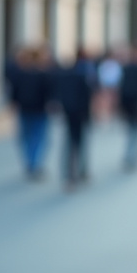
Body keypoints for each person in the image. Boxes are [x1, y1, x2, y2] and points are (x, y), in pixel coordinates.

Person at [52, 49, 95, 191]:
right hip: (80, 115)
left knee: (70, 145)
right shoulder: (83, 76)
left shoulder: (62, 76)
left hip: (70, 114)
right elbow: (88, 97)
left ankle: (70, 175)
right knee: (79, 144)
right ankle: (80, 172)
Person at [8, 45, 53, 180]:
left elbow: (14, 92)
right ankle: (34, 164)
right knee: (38, 138)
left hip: (26, 109)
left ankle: (31, 162)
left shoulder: (21, 73)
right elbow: (49, 93)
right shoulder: (43, 74)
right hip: (39, 110)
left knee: (27, 138)